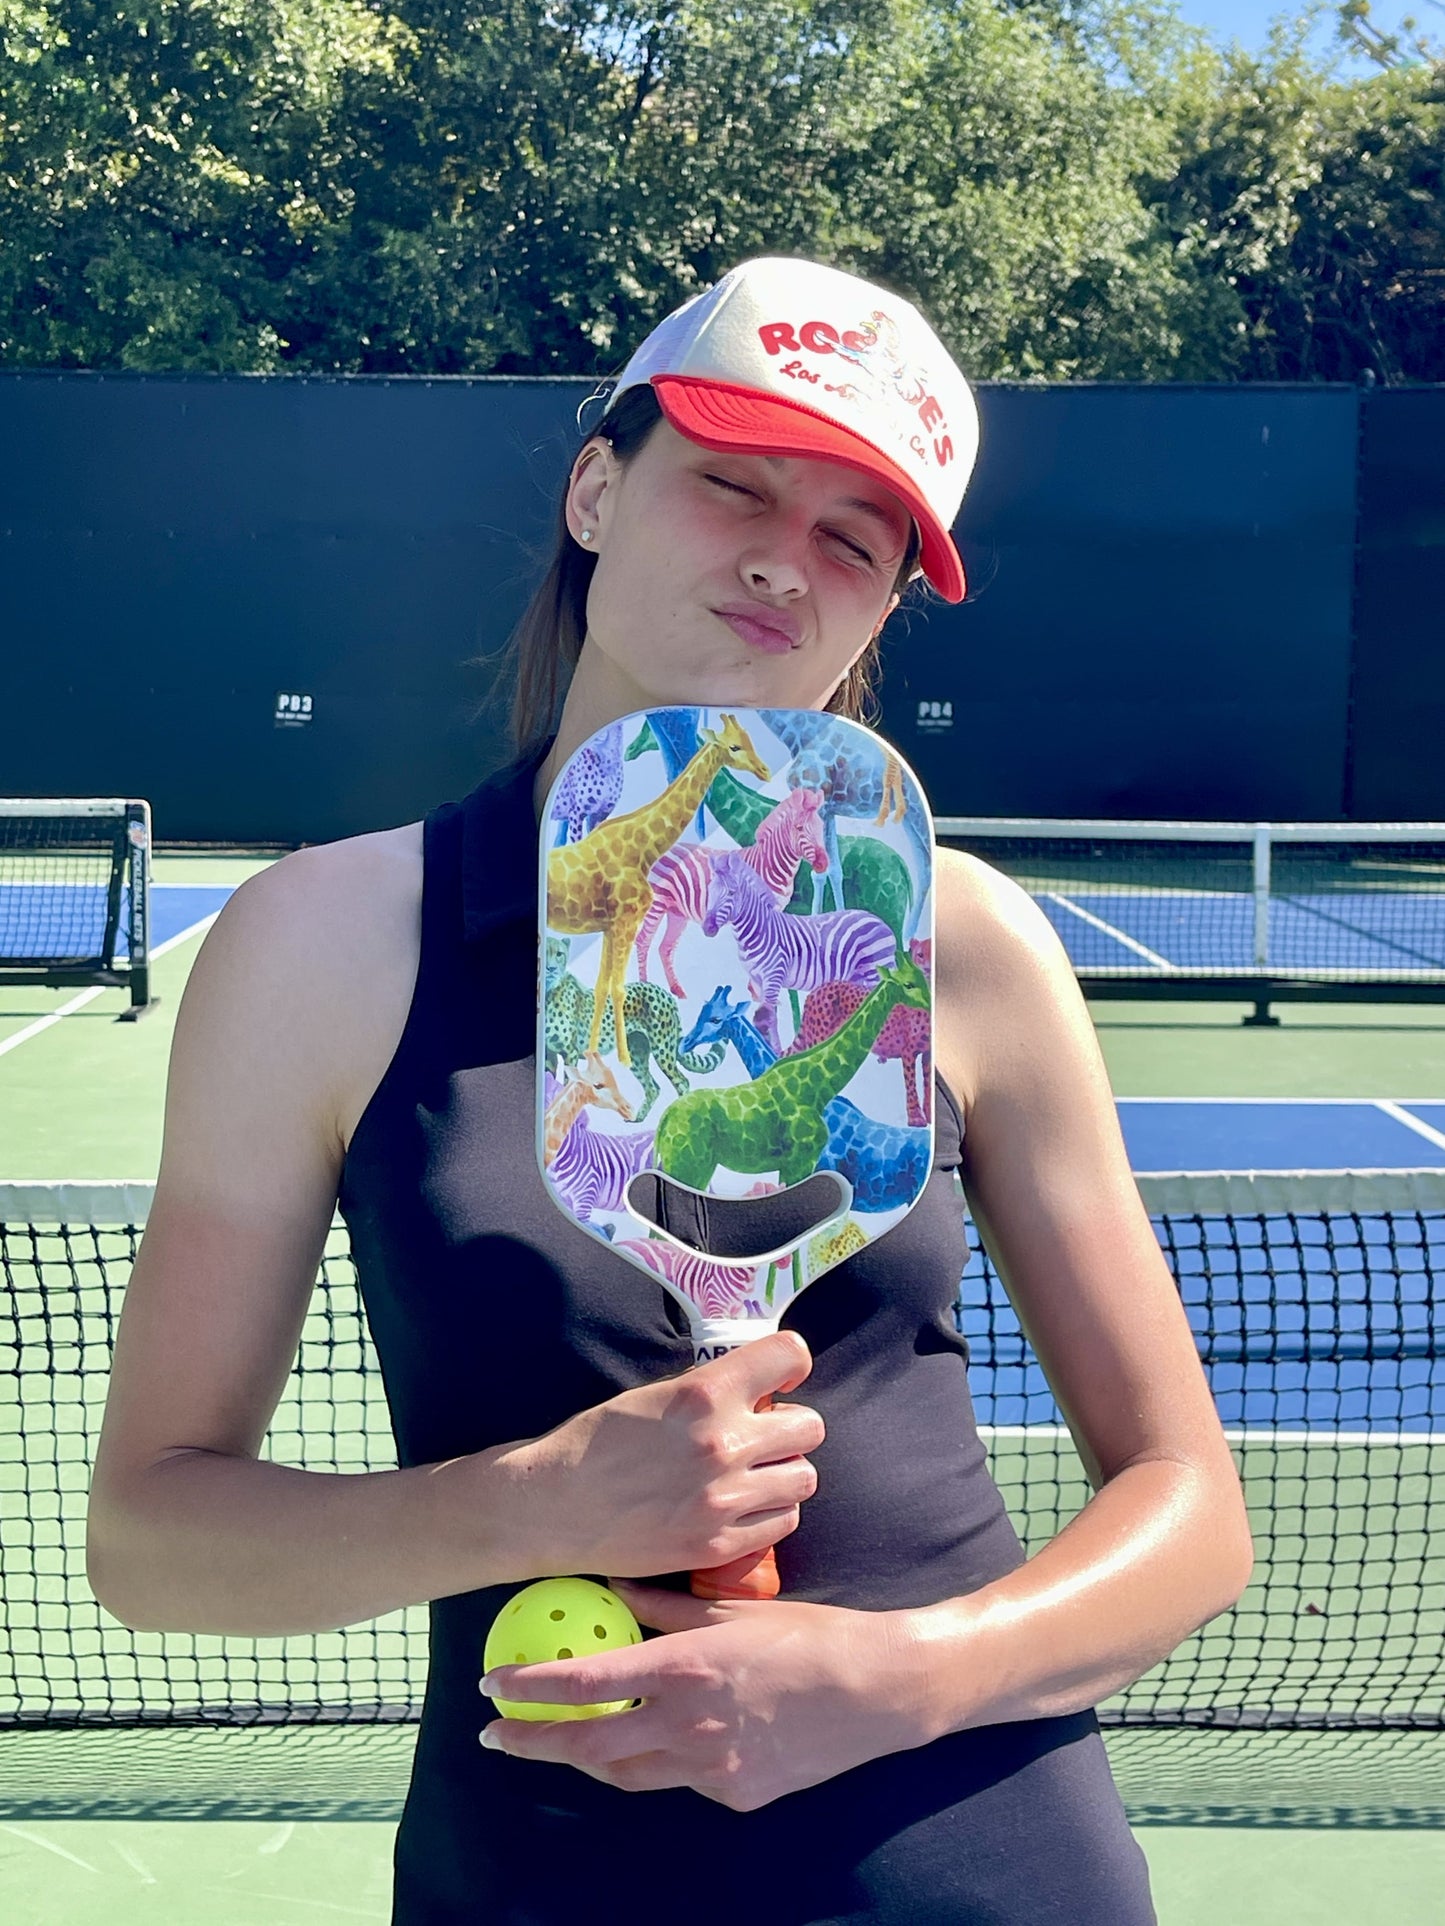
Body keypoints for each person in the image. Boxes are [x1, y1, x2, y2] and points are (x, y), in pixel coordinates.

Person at [88, 257, 1253, 1924]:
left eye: (855, 535)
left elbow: (1190, 1511)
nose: (785, 556)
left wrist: (895, 1677)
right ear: (595, 488)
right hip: (533, 1878)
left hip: (985, 1861)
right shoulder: (322, 943)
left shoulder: (964, 939)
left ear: (881, 607)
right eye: (732, 482)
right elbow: (150, 1538)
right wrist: (530, 1503)